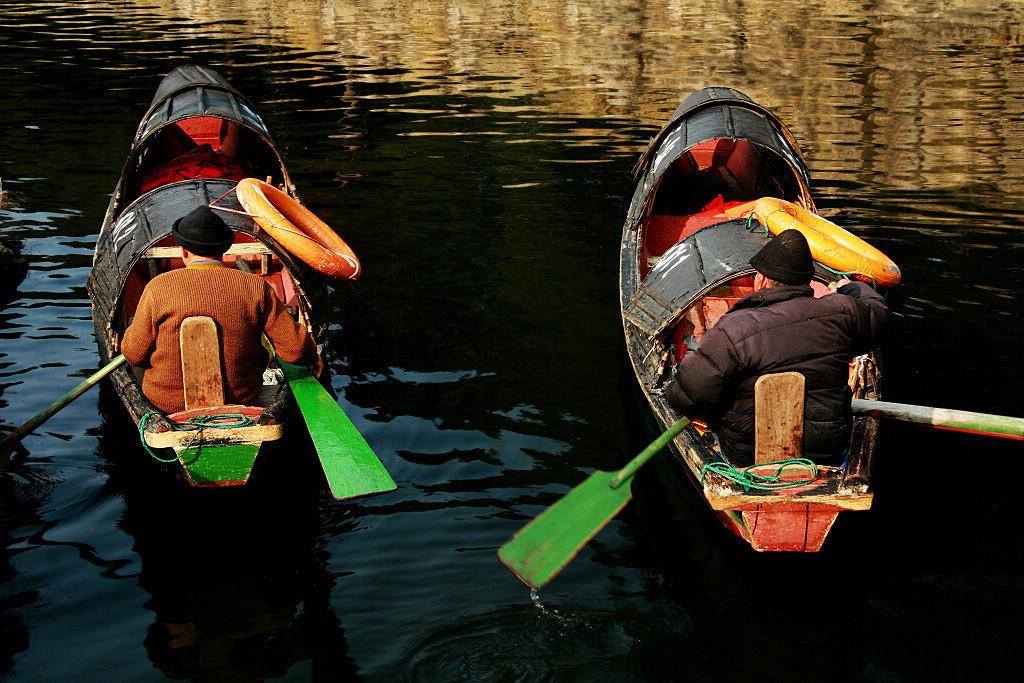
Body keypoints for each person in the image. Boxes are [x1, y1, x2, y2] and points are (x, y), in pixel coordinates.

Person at [664, 229, 888, 465]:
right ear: (809, 281)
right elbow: (879, 313)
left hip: (746, 457)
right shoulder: (843, 312)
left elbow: (685, 398)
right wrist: (849, 289)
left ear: (761, 279)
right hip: (827, 455)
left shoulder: (731, 329)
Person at [121, 205, 323, 414]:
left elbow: (134, 356)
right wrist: (313, 356)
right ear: (225, 251)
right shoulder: (255, 286)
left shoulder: (157, 287)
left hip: (167, 403)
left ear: (183, 251)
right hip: (241, 398)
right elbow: (296, 350)